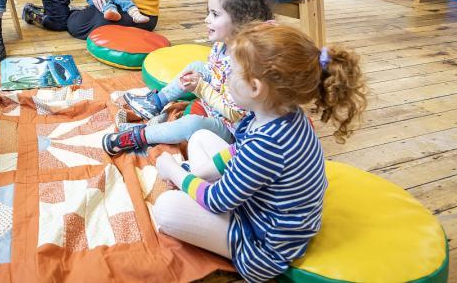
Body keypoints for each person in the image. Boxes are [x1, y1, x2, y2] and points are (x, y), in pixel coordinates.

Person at [152, 22, 367, 281]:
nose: (226, 79)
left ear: (255, 88)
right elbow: (236, 149)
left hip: (262, 247)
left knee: (166, 208)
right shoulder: (279, 115)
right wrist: (196, 173)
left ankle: (210, 213)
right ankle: (200, 185)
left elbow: (216, 200)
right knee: (199, 138)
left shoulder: (267, 145)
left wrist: (174, 172)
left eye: (232, 73)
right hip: (262, 207)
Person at [103, 0, 273, 155]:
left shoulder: (244, 64)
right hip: (217, 104)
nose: (206, 19)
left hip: (232, 128)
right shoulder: (221, 45)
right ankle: (156, 102)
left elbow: (234, 114)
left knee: (191, 124)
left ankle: (140, 136)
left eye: (215, 14)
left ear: (240, 23)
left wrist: (201, 88)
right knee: (198, 66)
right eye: (209, 12)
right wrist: (199, 81)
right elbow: (216, 76)